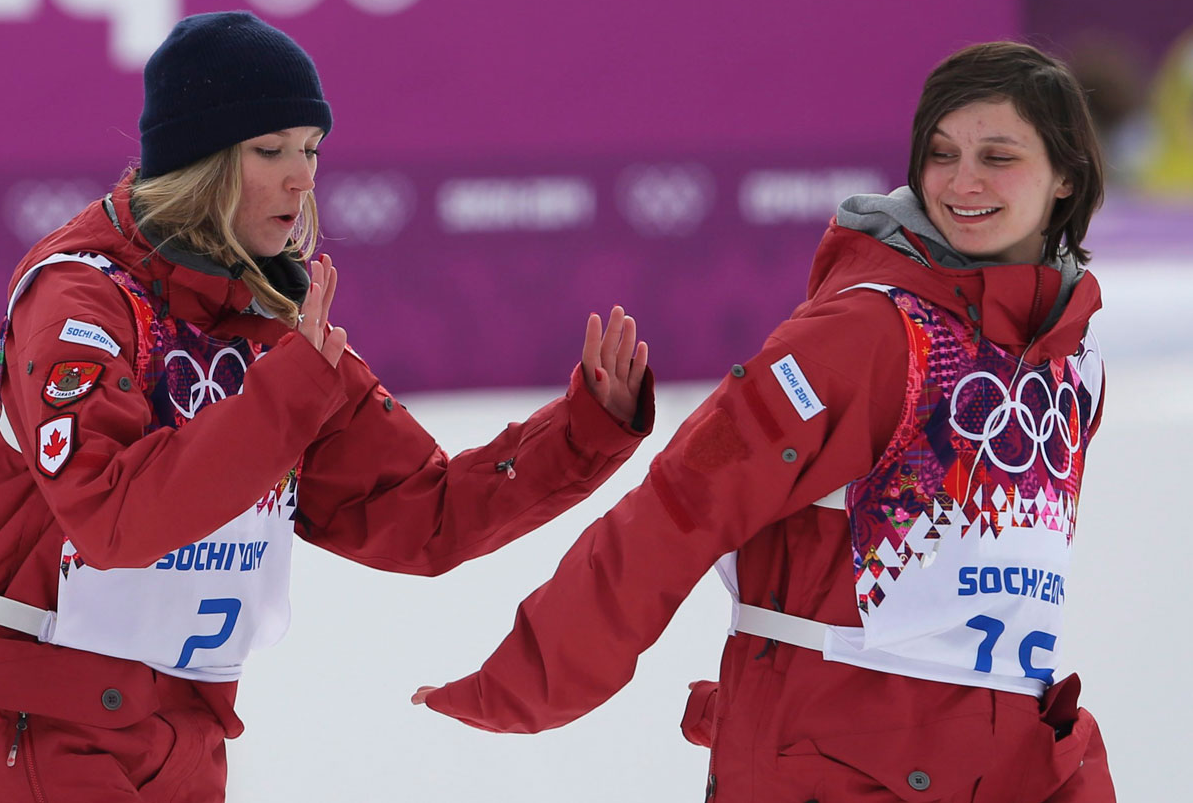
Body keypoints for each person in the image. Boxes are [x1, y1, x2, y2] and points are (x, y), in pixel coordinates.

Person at [0, 10, 653, 802]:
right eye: (271, 151)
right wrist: (290, 390)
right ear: (199, 162)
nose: (302, 178)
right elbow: (110, 515)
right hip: (22, 711)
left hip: (183, 728)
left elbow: (428, 513)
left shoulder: (273, 322)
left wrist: (583, 433)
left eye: (311, 150)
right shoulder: (83, 298)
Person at [414, 41, 1118, 802]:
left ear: (1067, 175)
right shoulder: (869, 332)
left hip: (1009, 765)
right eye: (941, 153)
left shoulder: (1075, 363)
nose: (963, 180)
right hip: (840, 767)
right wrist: (527, 681)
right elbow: (682, 505)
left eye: (998, 155)